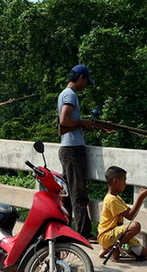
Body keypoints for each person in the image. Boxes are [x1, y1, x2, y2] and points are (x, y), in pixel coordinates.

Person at [57, 64, 110, 242]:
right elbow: (64, 121)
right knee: (77, 193)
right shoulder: (70, 95)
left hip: (69, 148)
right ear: (81, 78)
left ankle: (65, 229)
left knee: (69, 193)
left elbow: (71, 125)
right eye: (86, 82)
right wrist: (82, 122)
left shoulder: (65, 94)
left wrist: (96, 125)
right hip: (72, 150)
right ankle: (83, 233)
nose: (85, 86)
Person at [98, 166, 147, 261]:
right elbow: (130, 216)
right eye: (124, 181)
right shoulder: (111, 199)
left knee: (144, 253)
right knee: (135, 226)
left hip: (116, 235)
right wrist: (140, 198)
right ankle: (114, 249)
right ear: (115, 181)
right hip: (107, 235)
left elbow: (131, 211)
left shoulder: (117, 198)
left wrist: (142, 198)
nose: (125, 184)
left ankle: (107, 249)